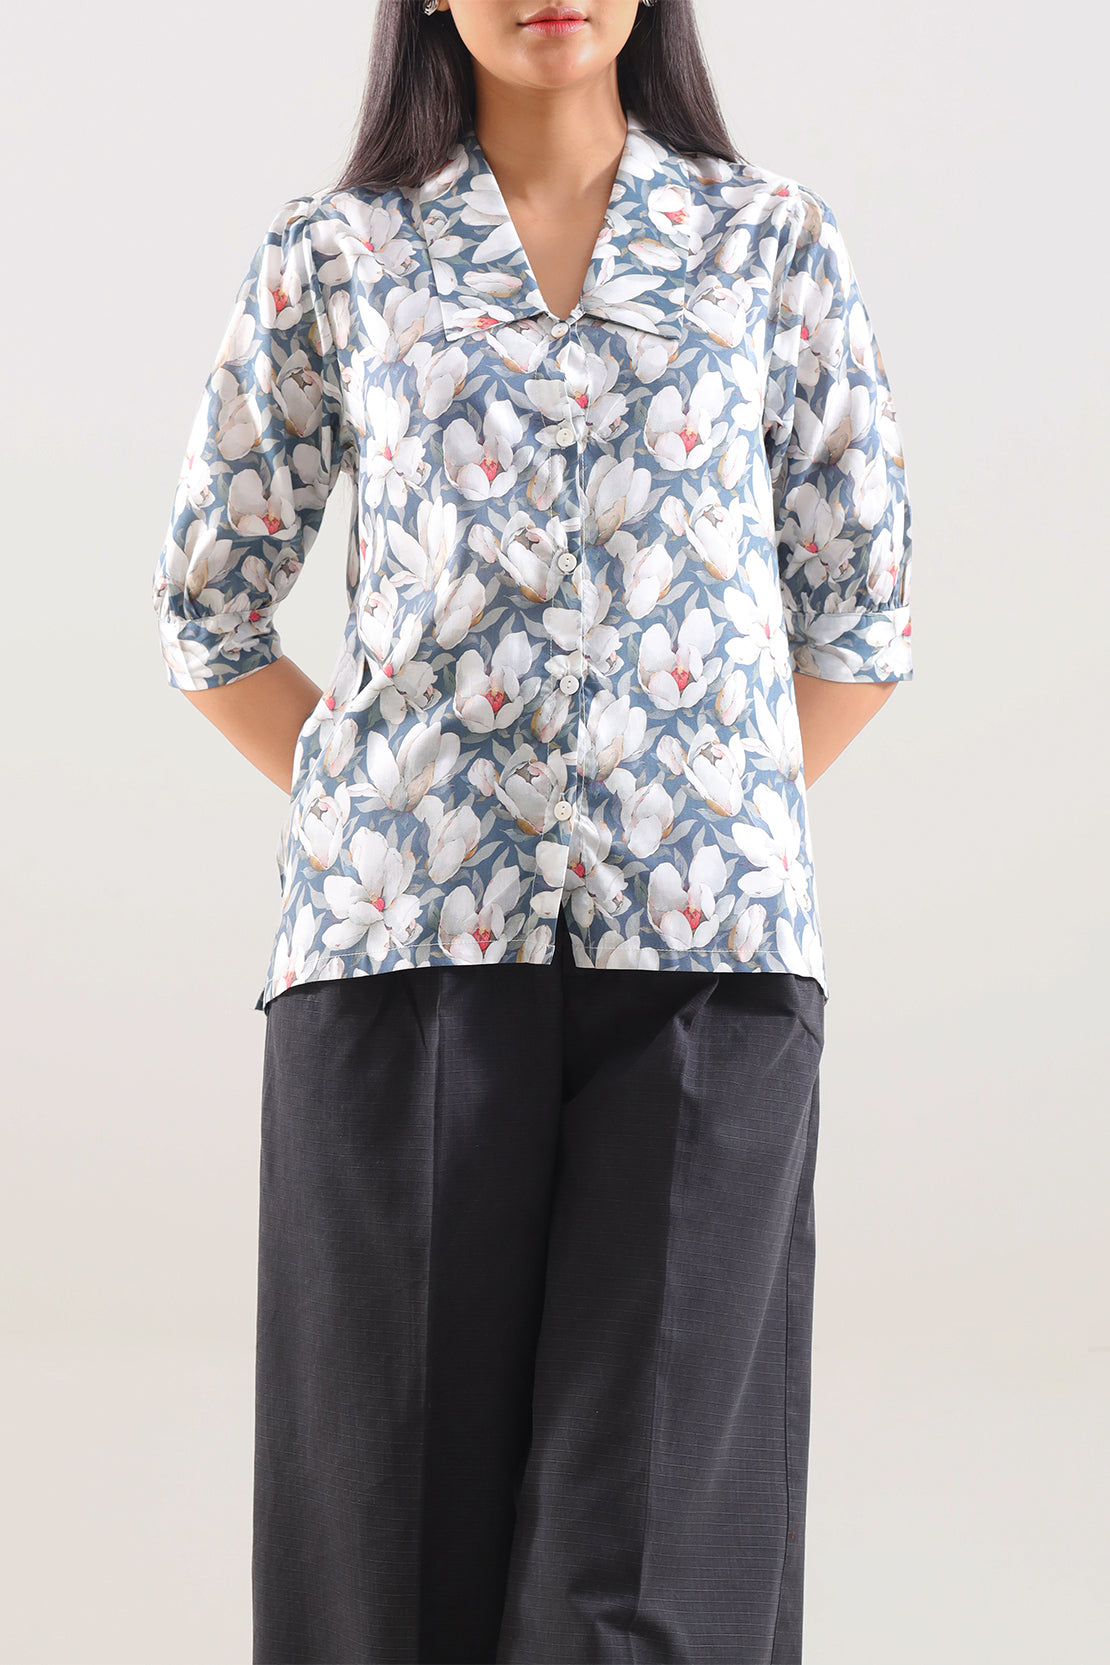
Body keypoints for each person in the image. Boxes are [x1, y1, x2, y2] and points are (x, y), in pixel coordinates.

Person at [151, 2, 914, 1660]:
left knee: (646, 1572)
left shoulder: (767, 244)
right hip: (400, 964)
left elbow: (861, 611)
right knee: (386, 1561)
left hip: (706, 971)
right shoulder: (339, 255)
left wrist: (703, 805)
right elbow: (209, 607)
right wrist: (373, 805)